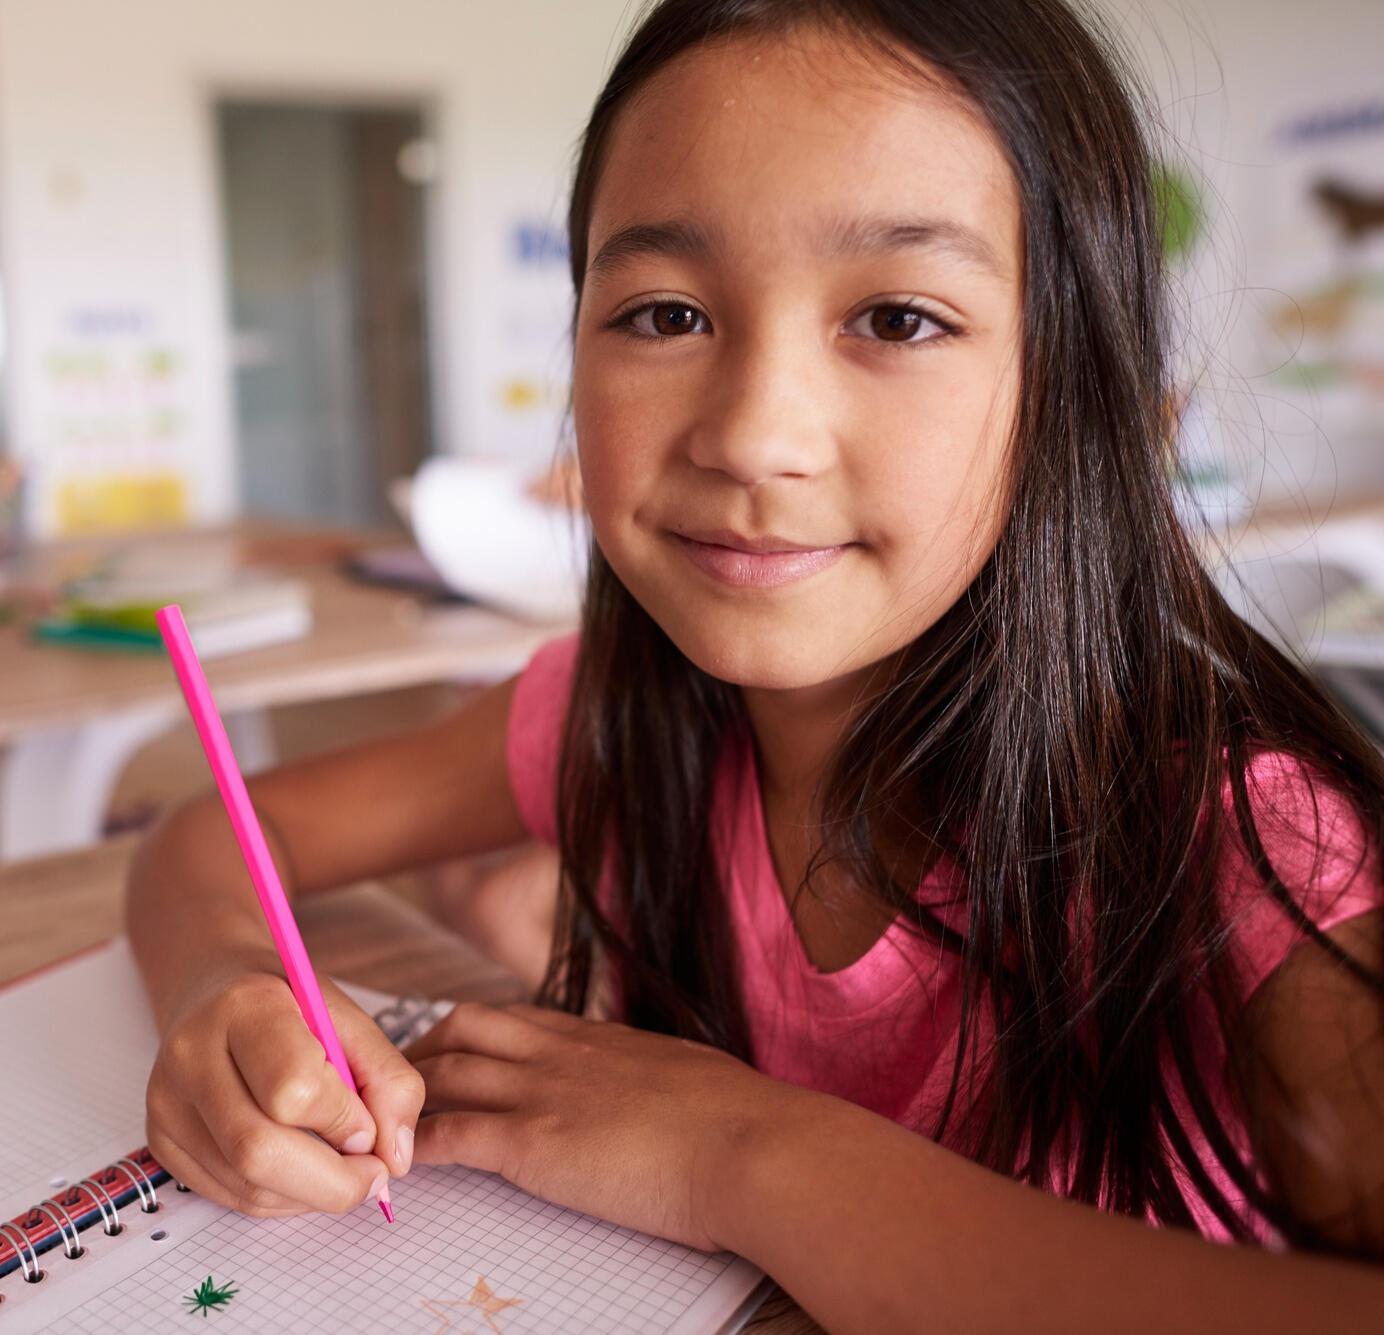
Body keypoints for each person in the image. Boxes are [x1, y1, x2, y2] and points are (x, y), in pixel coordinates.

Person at [125, 1, 1384, 1328]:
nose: (753, 435)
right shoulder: (608, 718)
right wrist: (221, 985)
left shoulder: (1246, 863)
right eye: (665, 313)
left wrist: (743, 1152)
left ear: (1071, 383)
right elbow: (210, 834)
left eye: (898, 318)